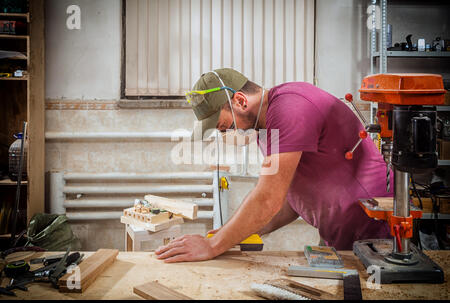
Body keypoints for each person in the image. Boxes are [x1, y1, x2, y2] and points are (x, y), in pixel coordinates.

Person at [155, 68, 391, 263]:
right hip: (339, 236)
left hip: (374, 232)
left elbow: (268, 198)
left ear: (240, 100)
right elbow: (289, 198)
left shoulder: (291, 108)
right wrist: (233, 234)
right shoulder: (265, 130)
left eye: (222, 124)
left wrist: (212, 245)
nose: (223, 132)